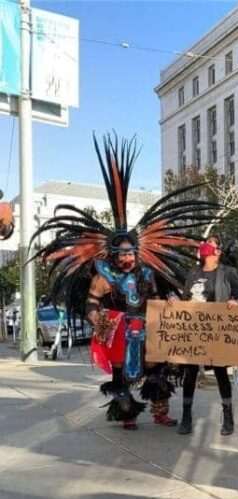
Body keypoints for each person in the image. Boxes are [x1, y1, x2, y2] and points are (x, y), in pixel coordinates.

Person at [31, 134, 217, 431]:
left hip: (147, 325)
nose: (128, 259)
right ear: (114, 254)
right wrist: (97, 317)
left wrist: (168, 302)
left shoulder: (145, 272)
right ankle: (127, 414)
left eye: (132, 253)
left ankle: (159, 411)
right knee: (121, 375)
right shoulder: (103, 275)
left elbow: (156, 294)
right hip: (118, 329)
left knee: (157, 371)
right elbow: (92, 301)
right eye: (123, 254)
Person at [176, 236, 238, 436]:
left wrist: (236, 302)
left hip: (216, 330)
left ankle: (228, 417)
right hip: (193, 329)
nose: (207, 245)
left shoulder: (228, 273)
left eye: (212, 243)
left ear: (218, 251)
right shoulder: (193, 273)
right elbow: (185, 299)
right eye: (206, 242)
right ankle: (186, 417)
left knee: (220, 372)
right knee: (189, 372)